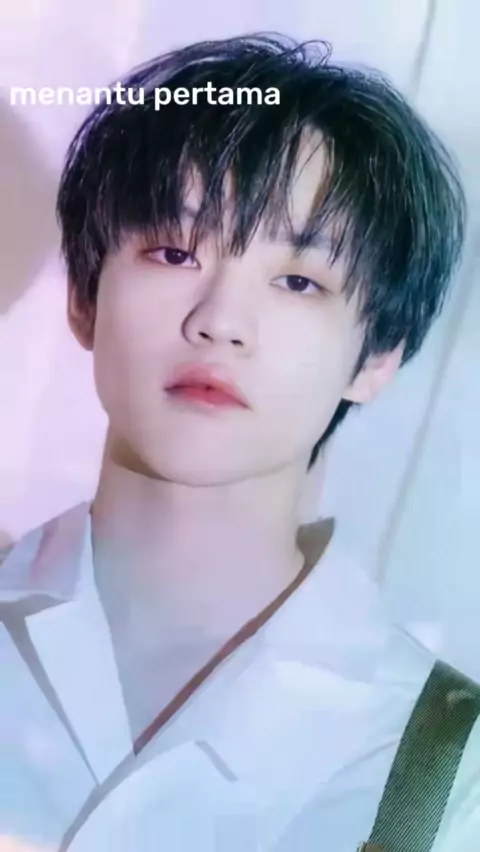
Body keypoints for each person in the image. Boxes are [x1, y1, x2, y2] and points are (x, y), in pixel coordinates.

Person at [0, 34, 477, 852]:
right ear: (84, 297)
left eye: (298, 281)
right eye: (173, 252)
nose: (219, 321)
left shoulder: (449, 771)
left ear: (378, 357)